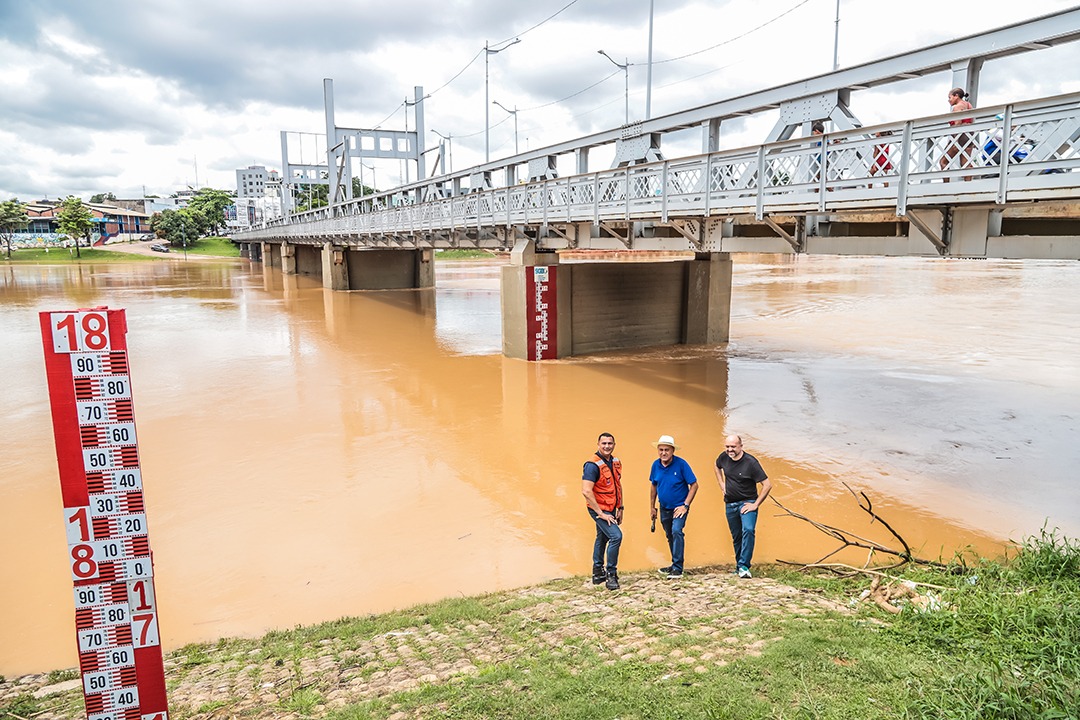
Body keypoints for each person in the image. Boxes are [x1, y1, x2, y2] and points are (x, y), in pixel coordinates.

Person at [714, 435, 772, 579]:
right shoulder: (724, 457)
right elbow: (716, 466)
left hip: (747, 503)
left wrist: (755, 504)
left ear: (741, 446)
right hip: (730, 503)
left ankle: (744, 566)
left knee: (748, 530)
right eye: (727, 447)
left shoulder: (751, 463)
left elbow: (767, 485)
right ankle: (739, 566)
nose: (730, 450)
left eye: (733, 447)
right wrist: (721, 484)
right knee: (737, 536)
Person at [648, 434, 698, 578]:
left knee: (676, 531)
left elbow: (694, 485)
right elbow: (653, 486)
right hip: (664, 507)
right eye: (661, 450)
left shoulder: (681, 464)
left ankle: (678, 568)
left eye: (667, 450)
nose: (663, 453)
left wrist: (685, 505)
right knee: (669, 534)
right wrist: (652, 507)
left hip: (679, 507)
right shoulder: (655, 465)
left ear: (672, 451)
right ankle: (674, 564)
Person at [582, 432, 623, 591]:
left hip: (611, 508)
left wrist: (620, 507)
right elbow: (586, 491)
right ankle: (611, 574)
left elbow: (617, 485)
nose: (607, 446)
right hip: (598, 509)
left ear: (614, 445)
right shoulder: (592, 465)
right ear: (598, 444)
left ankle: (598, 572)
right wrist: (600, 513)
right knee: (616, 536)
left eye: (610, 443)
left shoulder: (615, 462)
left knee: (603, 537)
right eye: (604, 443)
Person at [940, 87, 975, 181]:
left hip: (959, 136)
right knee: (965, 163)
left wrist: (955, 141)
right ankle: (968, 185)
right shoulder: (969, 105)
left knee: (943, 162)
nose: (949, 100)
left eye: (950, 97)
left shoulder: (957, 107)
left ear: (956, 96)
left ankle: (946, 185)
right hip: (968, 135)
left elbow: (957, 124)